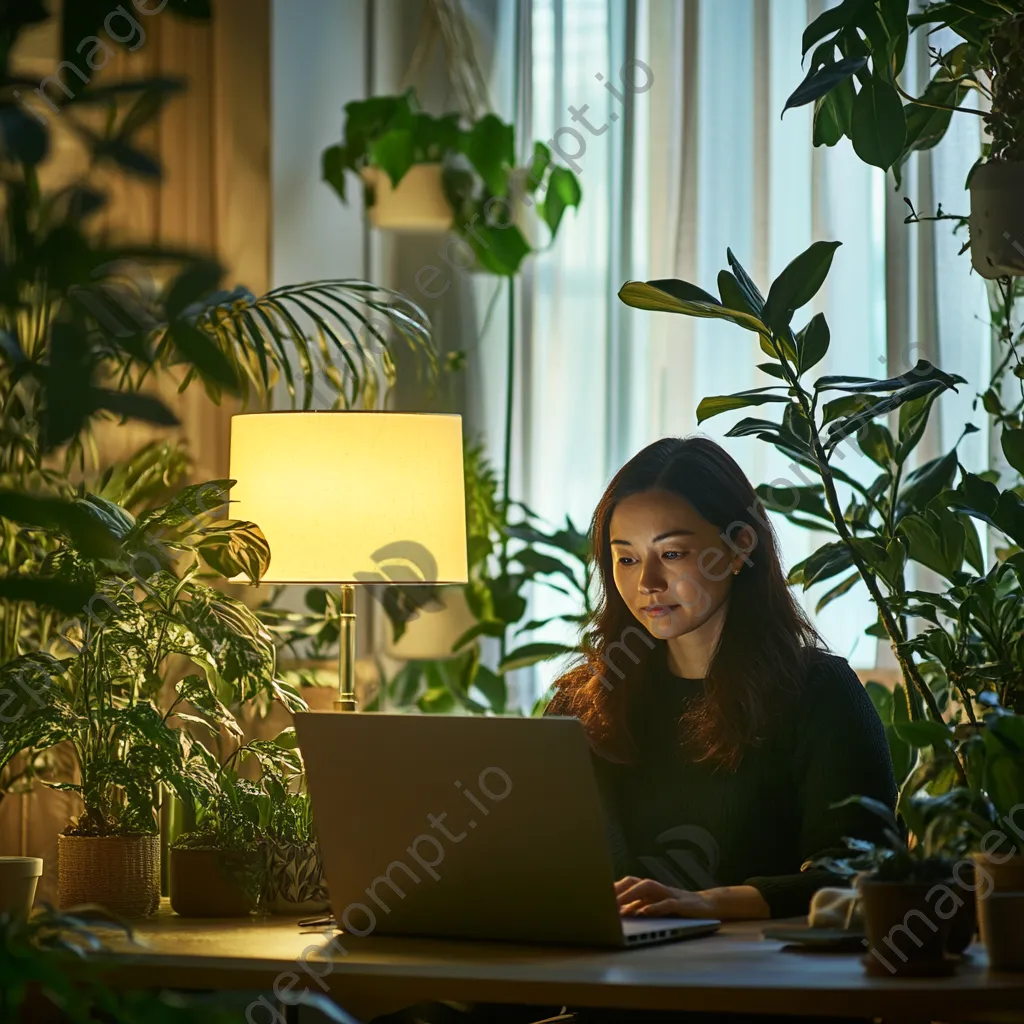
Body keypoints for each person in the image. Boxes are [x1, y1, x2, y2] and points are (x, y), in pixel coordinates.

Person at [545, 435, 897, 924]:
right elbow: (540, 860)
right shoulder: (583, 701)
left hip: (755, 980)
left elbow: (865, 871)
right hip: (605, 974)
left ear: (738, 548)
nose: (646, 583)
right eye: (626, 558)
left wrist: (710, 904)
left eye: (672, 555)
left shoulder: (819, 693)